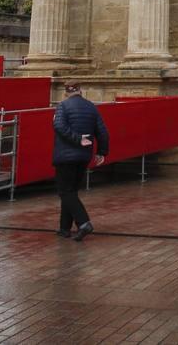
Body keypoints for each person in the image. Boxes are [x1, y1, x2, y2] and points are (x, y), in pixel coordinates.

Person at [52, 82, 109, 242]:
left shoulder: (63, 106)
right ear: (80, 91)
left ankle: (84, 223)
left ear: (66, 93)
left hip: (65, 155)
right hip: (83, 156)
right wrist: (102, 152)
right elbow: (102, 131)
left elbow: (59, 126)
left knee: (65, 191)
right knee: (71, 191)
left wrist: (78, 140)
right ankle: (64, 229)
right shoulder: (91, 107)